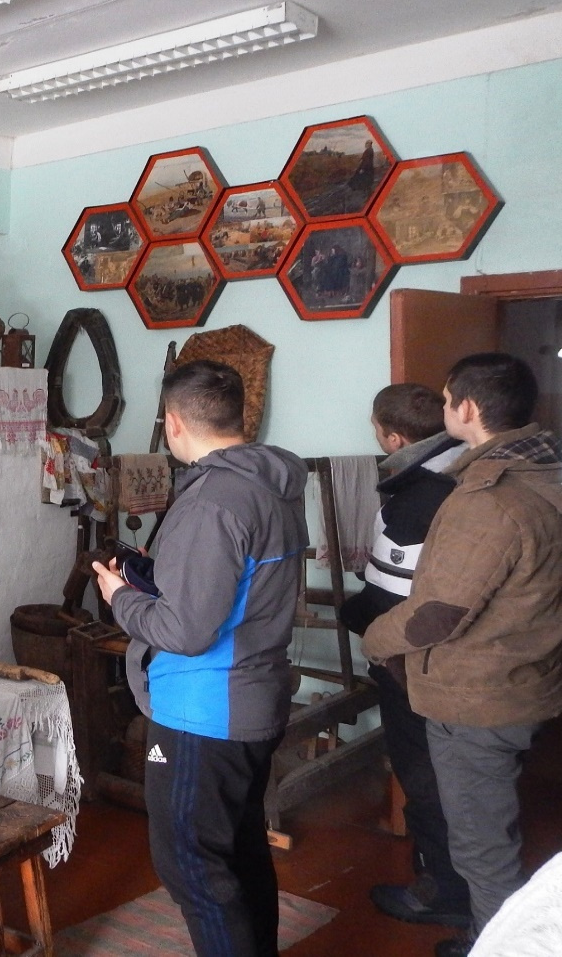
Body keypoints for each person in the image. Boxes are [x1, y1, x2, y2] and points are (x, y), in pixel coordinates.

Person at [93, 360, 308, 957]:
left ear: (173, 422)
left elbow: (184, 631)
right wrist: (154, 573)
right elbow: (232, 590)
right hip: (255, 695)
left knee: (193, 868)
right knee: (239, 850)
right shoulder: (273, 485)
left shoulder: (212, 500)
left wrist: (120, 597)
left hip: (205, 710)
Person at [364, 353, 562, 957]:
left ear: (469, 408)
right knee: (488, 825)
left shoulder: (489, 499)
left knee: (483, 846)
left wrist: (375, 638)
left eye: (447, 397)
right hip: (523, 677)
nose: (443, 407)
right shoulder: (548, 473)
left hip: (478, 695)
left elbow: (437, 613)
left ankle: (495, 943)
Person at [340, 384, 470, 928]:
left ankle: (443, 890)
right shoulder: (463, 470)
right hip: (449, 662)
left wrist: (356, 616)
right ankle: (449, 875)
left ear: (393, 438)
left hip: (414, 664)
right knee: (451, 774)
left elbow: (395, 600)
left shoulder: (418, 496)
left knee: (426, 775)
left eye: (376, 429)